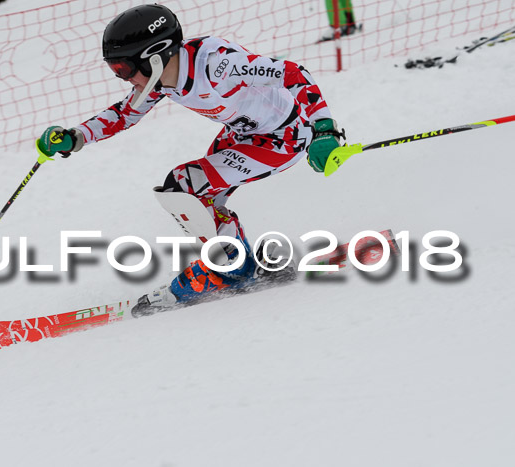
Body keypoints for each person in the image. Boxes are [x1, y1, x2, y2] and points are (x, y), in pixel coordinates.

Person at [37, 4, 344, 313]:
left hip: (283, 137)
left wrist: (325, 130)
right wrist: (76, 136)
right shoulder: (161, 79)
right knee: (197, 198)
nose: (124, 78)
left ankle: (231, 267)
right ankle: (236, 262)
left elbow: (294, 74)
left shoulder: (218, 66)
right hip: (242, 135)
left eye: (123, 69)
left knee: (184, 184)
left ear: (154, 57)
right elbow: (125, 113)